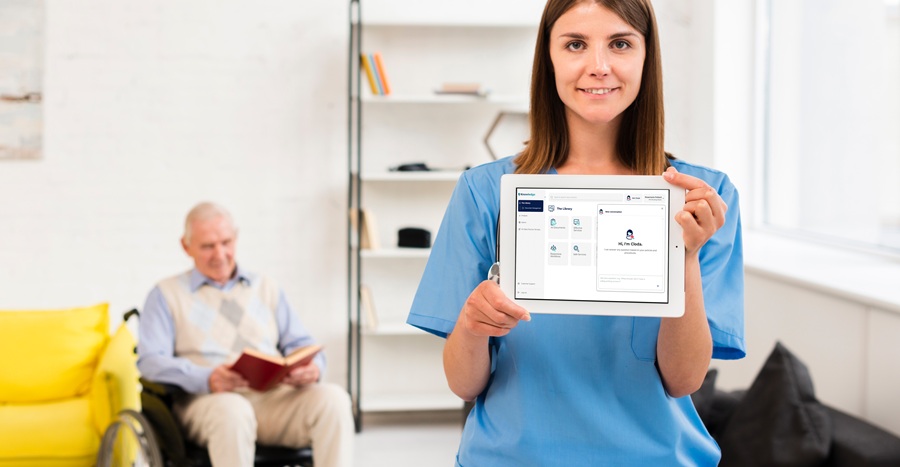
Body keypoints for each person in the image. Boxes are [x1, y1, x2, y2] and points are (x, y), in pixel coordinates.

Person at [407, 0, 744, 465]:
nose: (598, 66)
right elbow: (464, 385)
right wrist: (471, 324)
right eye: (575, 44)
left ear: (647, 57)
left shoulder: (701, 199)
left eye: (620, 43)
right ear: (549, 58)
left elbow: (683, 379)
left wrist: (683, 255)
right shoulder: (485, 192)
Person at [137, 202, 354, 467]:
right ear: (186, 246)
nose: (220, 254)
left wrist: (314, 368)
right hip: (206, 402)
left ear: (236, 239)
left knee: (334, 399)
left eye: (226, 242)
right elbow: (149, 361)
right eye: (208, 246)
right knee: (233, 411)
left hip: (272, 400)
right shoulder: (165, 295)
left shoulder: (266, 287)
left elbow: (301, 342)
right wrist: (208, 378)